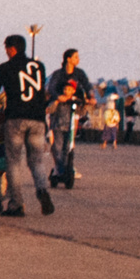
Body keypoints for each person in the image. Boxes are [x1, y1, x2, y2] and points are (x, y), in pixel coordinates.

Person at [0, 34, 54, 216]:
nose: (5, 52)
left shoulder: (6, 67)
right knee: (36, 160)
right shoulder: (39, 67)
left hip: (16, 118)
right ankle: (42, 189)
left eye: (6, 48)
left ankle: (16, 204)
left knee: (13, 162)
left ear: (11, 49)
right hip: (37, 119)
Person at [46, 48, 93, 188]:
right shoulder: (58, 74)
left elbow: (87, 85)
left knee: (69, 146)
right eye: (75, 57)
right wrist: (58, 97)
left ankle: (66, 168)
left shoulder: (79, 73)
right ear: (68, 59)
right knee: (57, 145)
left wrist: (91, 97)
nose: (78, 59)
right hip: (59, 113)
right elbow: (52, 88)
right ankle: (60, 168)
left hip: (73, 111)